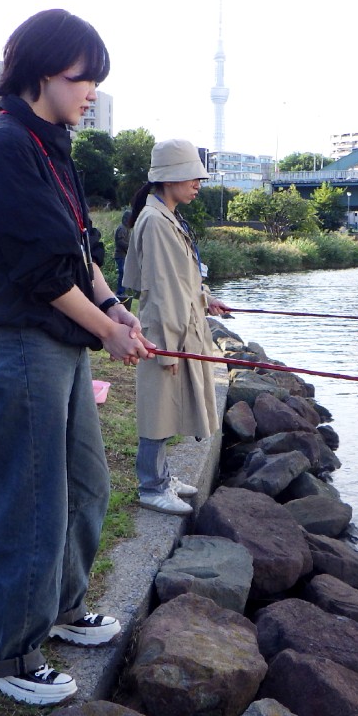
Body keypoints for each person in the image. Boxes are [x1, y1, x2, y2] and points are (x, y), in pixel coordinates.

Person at [0, 9, 153, 705]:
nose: (91, 89)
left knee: (87, 484)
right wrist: (107, 329)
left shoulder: (51, 142)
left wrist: (115, 307)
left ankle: (61, 607)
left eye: (96, 79)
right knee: (29, 501)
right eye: (81, 78)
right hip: (24, 342)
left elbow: (78, 250)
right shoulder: (6, 145)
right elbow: (42, 271)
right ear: (42, 74)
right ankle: (2, 651)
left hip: (62, 343)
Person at [124, 139, 229, 515]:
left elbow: (183, 280)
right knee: (158, 410)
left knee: (166, 408)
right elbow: (164, 289)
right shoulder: (155, 221)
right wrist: (166, 348)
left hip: (177, 326)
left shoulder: (165, 215)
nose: (197, 183)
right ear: (169, 179)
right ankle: (151, 486)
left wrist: (207, 298)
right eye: (191, 177)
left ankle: (162, 478)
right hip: (164, 330)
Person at [114, 208, 131, 304]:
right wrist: (129, 247)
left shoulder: (126, 229)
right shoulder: (122, 228)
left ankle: (122, 291)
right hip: (120, 255)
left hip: (124, 255)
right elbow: (120, 242)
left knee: (124, 273)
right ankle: (120, 292)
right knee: (122, 273)